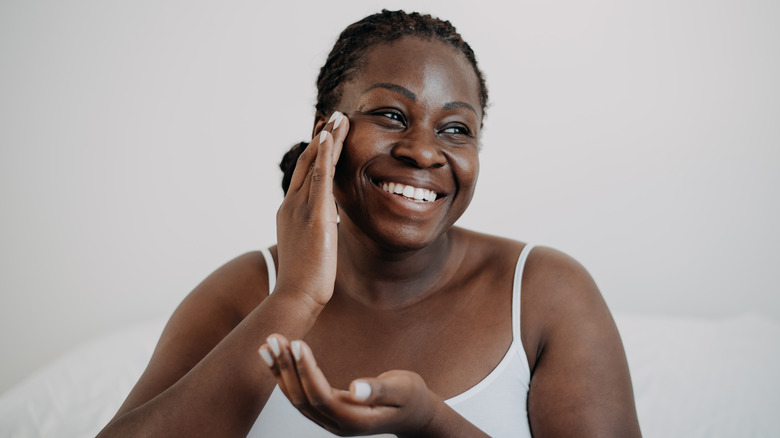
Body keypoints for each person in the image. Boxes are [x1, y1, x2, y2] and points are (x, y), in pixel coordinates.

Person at [99, 9, 641, 437]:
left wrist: (430, 423)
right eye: (390, 115)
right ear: (325, 131)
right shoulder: (243, 292)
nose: (424, 152)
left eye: (456, 128)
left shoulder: (545, 292)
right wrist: (295, 297)